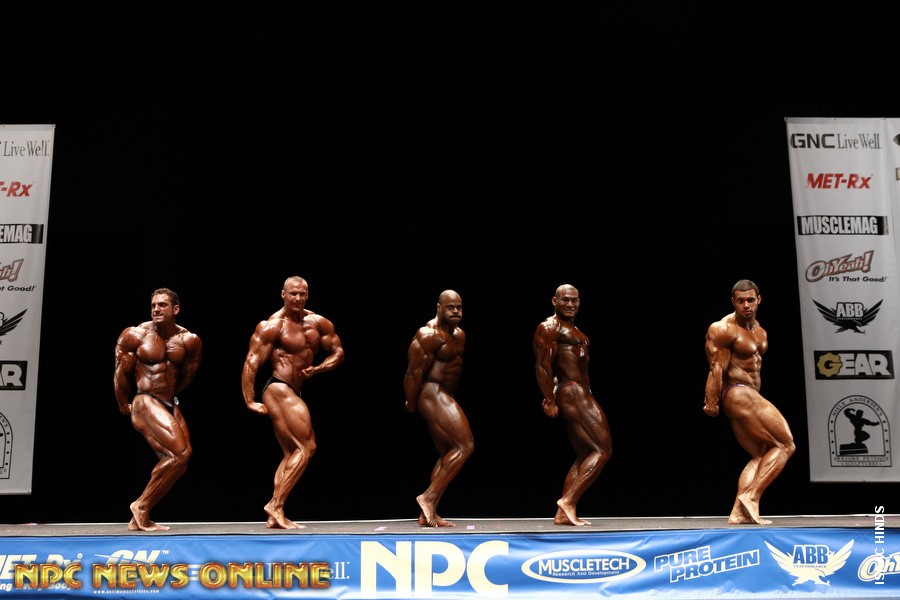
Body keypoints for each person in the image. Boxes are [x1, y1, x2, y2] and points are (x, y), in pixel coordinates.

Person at [241, 275, 345, 529]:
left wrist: (318, 369)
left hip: (293, 390)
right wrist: (249, 400)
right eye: (292, 294)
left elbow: (338, 352)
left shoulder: (318, 322)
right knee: (306, 447)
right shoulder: (272, 325)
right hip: (278, 387)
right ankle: (275, 505)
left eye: (302, 294)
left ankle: (275, 514)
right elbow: (252, 361)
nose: (297, 298)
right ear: (283, 295)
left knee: (291, 453)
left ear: (307, 295)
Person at [704, 279, 795, 525]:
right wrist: (711, 402)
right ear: (733, 301)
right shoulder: (724, 329)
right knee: (786, 444)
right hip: (738, 393)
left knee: (761, 455)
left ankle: (737, 512)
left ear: (759, 300)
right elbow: (716, 368)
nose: (746, 305)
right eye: (741, 301)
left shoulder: (759, 330)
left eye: (750, 300)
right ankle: (752, 497)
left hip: (749, 394)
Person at [113, 288, 202, 531]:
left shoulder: (189, 340)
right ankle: (140, 506)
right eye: (153, 305)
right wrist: (124, 403)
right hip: (144, 400)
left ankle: (139, 517)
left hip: (169, 402)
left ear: (176, 309)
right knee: (180, 454)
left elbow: (188, 375)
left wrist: (171, 397)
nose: (156, 309)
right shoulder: (136, 335)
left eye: (162, 305)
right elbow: (120, 373)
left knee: (180, 462)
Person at [533, 284, 612, 527]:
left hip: (579, 391)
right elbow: (543, 365)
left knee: (586, 453)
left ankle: (562, 513)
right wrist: (549, 399)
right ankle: (568, 500)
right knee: (603, 450)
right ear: (554, 301)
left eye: (574, 300)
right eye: (565, 299)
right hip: (572, 391)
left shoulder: (574, 330)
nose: (570, 304)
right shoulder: (550, 327)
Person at [404, 290, 473, 527]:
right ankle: (428, 497)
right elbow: (413, 373)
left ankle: (428, 513)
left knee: (448, 454)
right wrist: (411, 402)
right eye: (450, 307)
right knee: (465, 446)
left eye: (459, 307)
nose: (455, 311)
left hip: (445, 394)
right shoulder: (428, 334)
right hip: (431, 392)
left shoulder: (459, 335)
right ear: (439, 308)